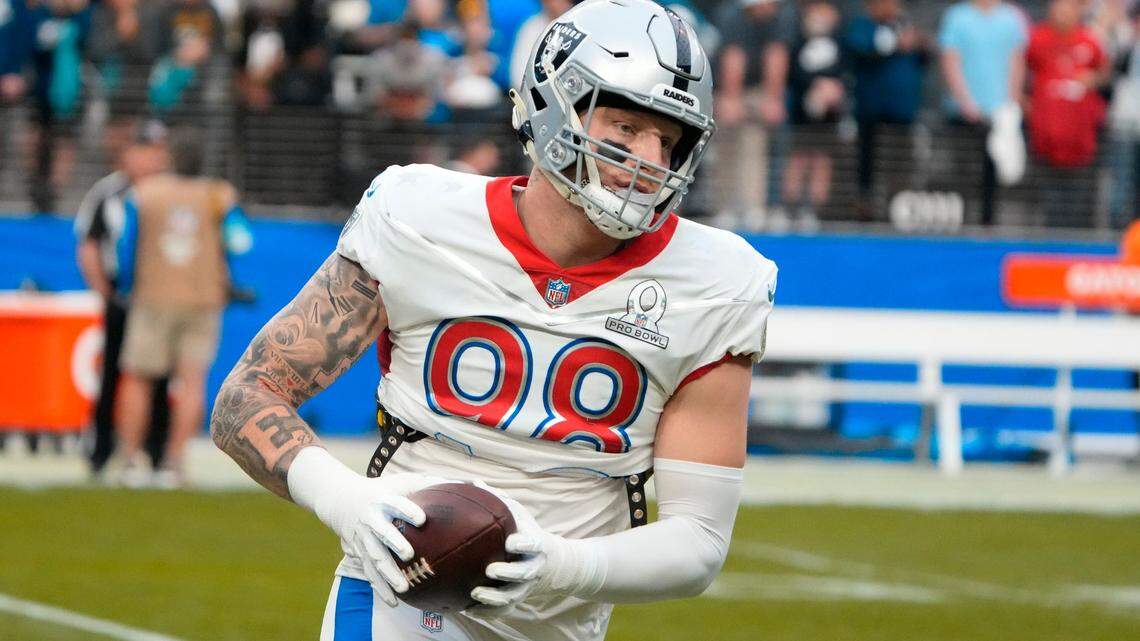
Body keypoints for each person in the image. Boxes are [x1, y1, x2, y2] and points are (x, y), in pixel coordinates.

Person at [210, 1, 776, 640]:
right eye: (625, 127)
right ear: (553, 106)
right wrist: (346, 501)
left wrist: (564, 563)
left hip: (559, 623)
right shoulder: (419, 218)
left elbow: (699, 541)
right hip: (398, 600)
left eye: (669, 140)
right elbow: (246, 397)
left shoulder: (714, 284)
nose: (650, 161)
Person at [114, 126, 252, 488]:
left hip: (153, 296)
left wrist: (128, 285)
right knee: (192, 381)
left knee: (138, 378)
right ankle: (174, 465)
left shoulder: (144, 194)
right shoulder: (218, 195)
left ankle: (129, 461)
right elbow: (241, 241)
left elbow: (126, 248)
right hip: (201, 297)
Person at [74, 120, 172, 482]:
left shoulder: (171, 192)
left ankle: (156, 452)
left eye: (158, 151)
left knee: (161, 377)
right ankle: (102, 451)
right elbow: (88, 244)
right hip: (122, 294)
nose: (152, 159)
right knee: (113, 374)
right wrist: (105, 293)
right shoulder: (108, 193)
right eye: (145, 150)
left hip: (160, 296)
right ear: (128, 153)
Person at [938, 0, 1027, 225]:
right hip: (962, 114)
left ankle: (989, 225)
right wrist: (965, 102)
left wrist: (1010, 102)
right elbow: (950, 60)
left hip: (1000, 114)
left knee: (996, 175)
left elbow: (1017, 61)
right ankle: (960, 226)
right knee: (963, 174)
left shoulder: (1010, 18)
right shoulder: (957, 17)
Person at [711, 0, 793, 230]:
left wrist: (772, 99)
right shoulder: (732, 16)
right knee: (726, 149)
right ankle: (725, 209)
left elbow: (776, 56)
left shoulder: (780, 17)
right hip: (728, 88)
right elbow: (732, 59)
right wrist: (731, 99)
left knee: (754, 146)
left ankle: (752, 209)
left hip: (758, 89)